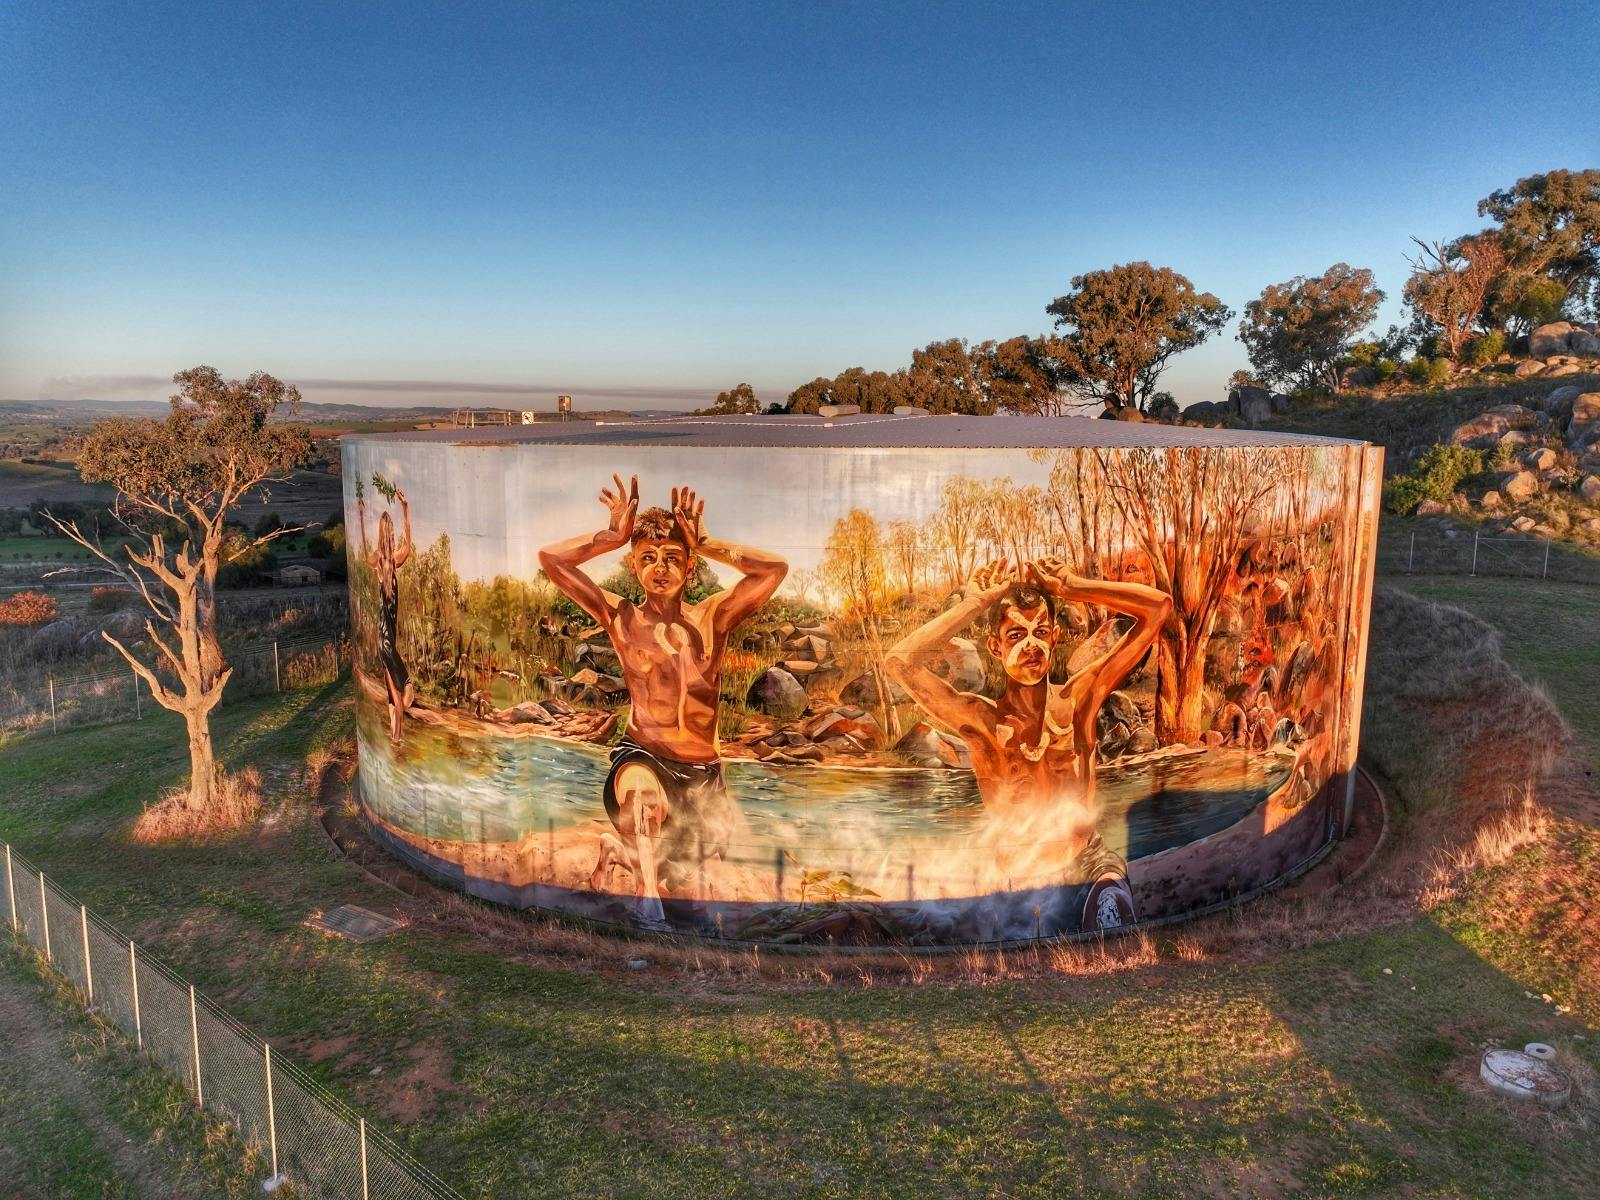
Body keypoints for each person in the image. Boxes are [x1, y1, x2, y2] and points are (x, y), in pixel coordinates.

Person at [538, 475, 787, 927]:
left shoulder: (714, 617)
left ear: (689, 568)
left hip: (702, 777)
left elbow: (773, 570)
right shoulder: (621, 617)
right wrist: (609, 538)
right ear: (634, 567)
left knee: (689, 896)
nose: (660, 568)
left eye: (672, 558)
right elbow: (551, 561)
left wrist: (708, 543)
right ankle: (645, 897)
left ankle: (627, 859)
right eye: (648, 558)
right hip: (643, 756)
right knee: (642, 798)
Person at [884, 555, 1171, 931]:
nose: (1032, 645)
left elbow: (1158, 608)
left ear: (1055, 637)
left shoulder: (1078, 701)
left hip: (1086, 864)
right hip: (1014, 880)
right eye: (1016, 635)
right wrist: (974, 604)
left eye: (1040, 631)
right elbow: (898, 663)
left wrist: (1073, 587)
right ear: (995, 647)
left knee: (1110, 904)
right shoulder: (983, 722)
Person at [358, 487, 415, 740]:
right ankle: (397, 735)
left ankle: (408, 682)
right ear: (388, 534)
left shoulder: (386, 560)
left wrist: (404, 508)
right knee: (389, 680)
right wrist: (404, 509)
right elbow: (407, 544)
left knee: (391, 675)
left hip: (385, 630)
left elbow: (407, 545)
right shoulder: (385, 559)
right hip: (386, 628)